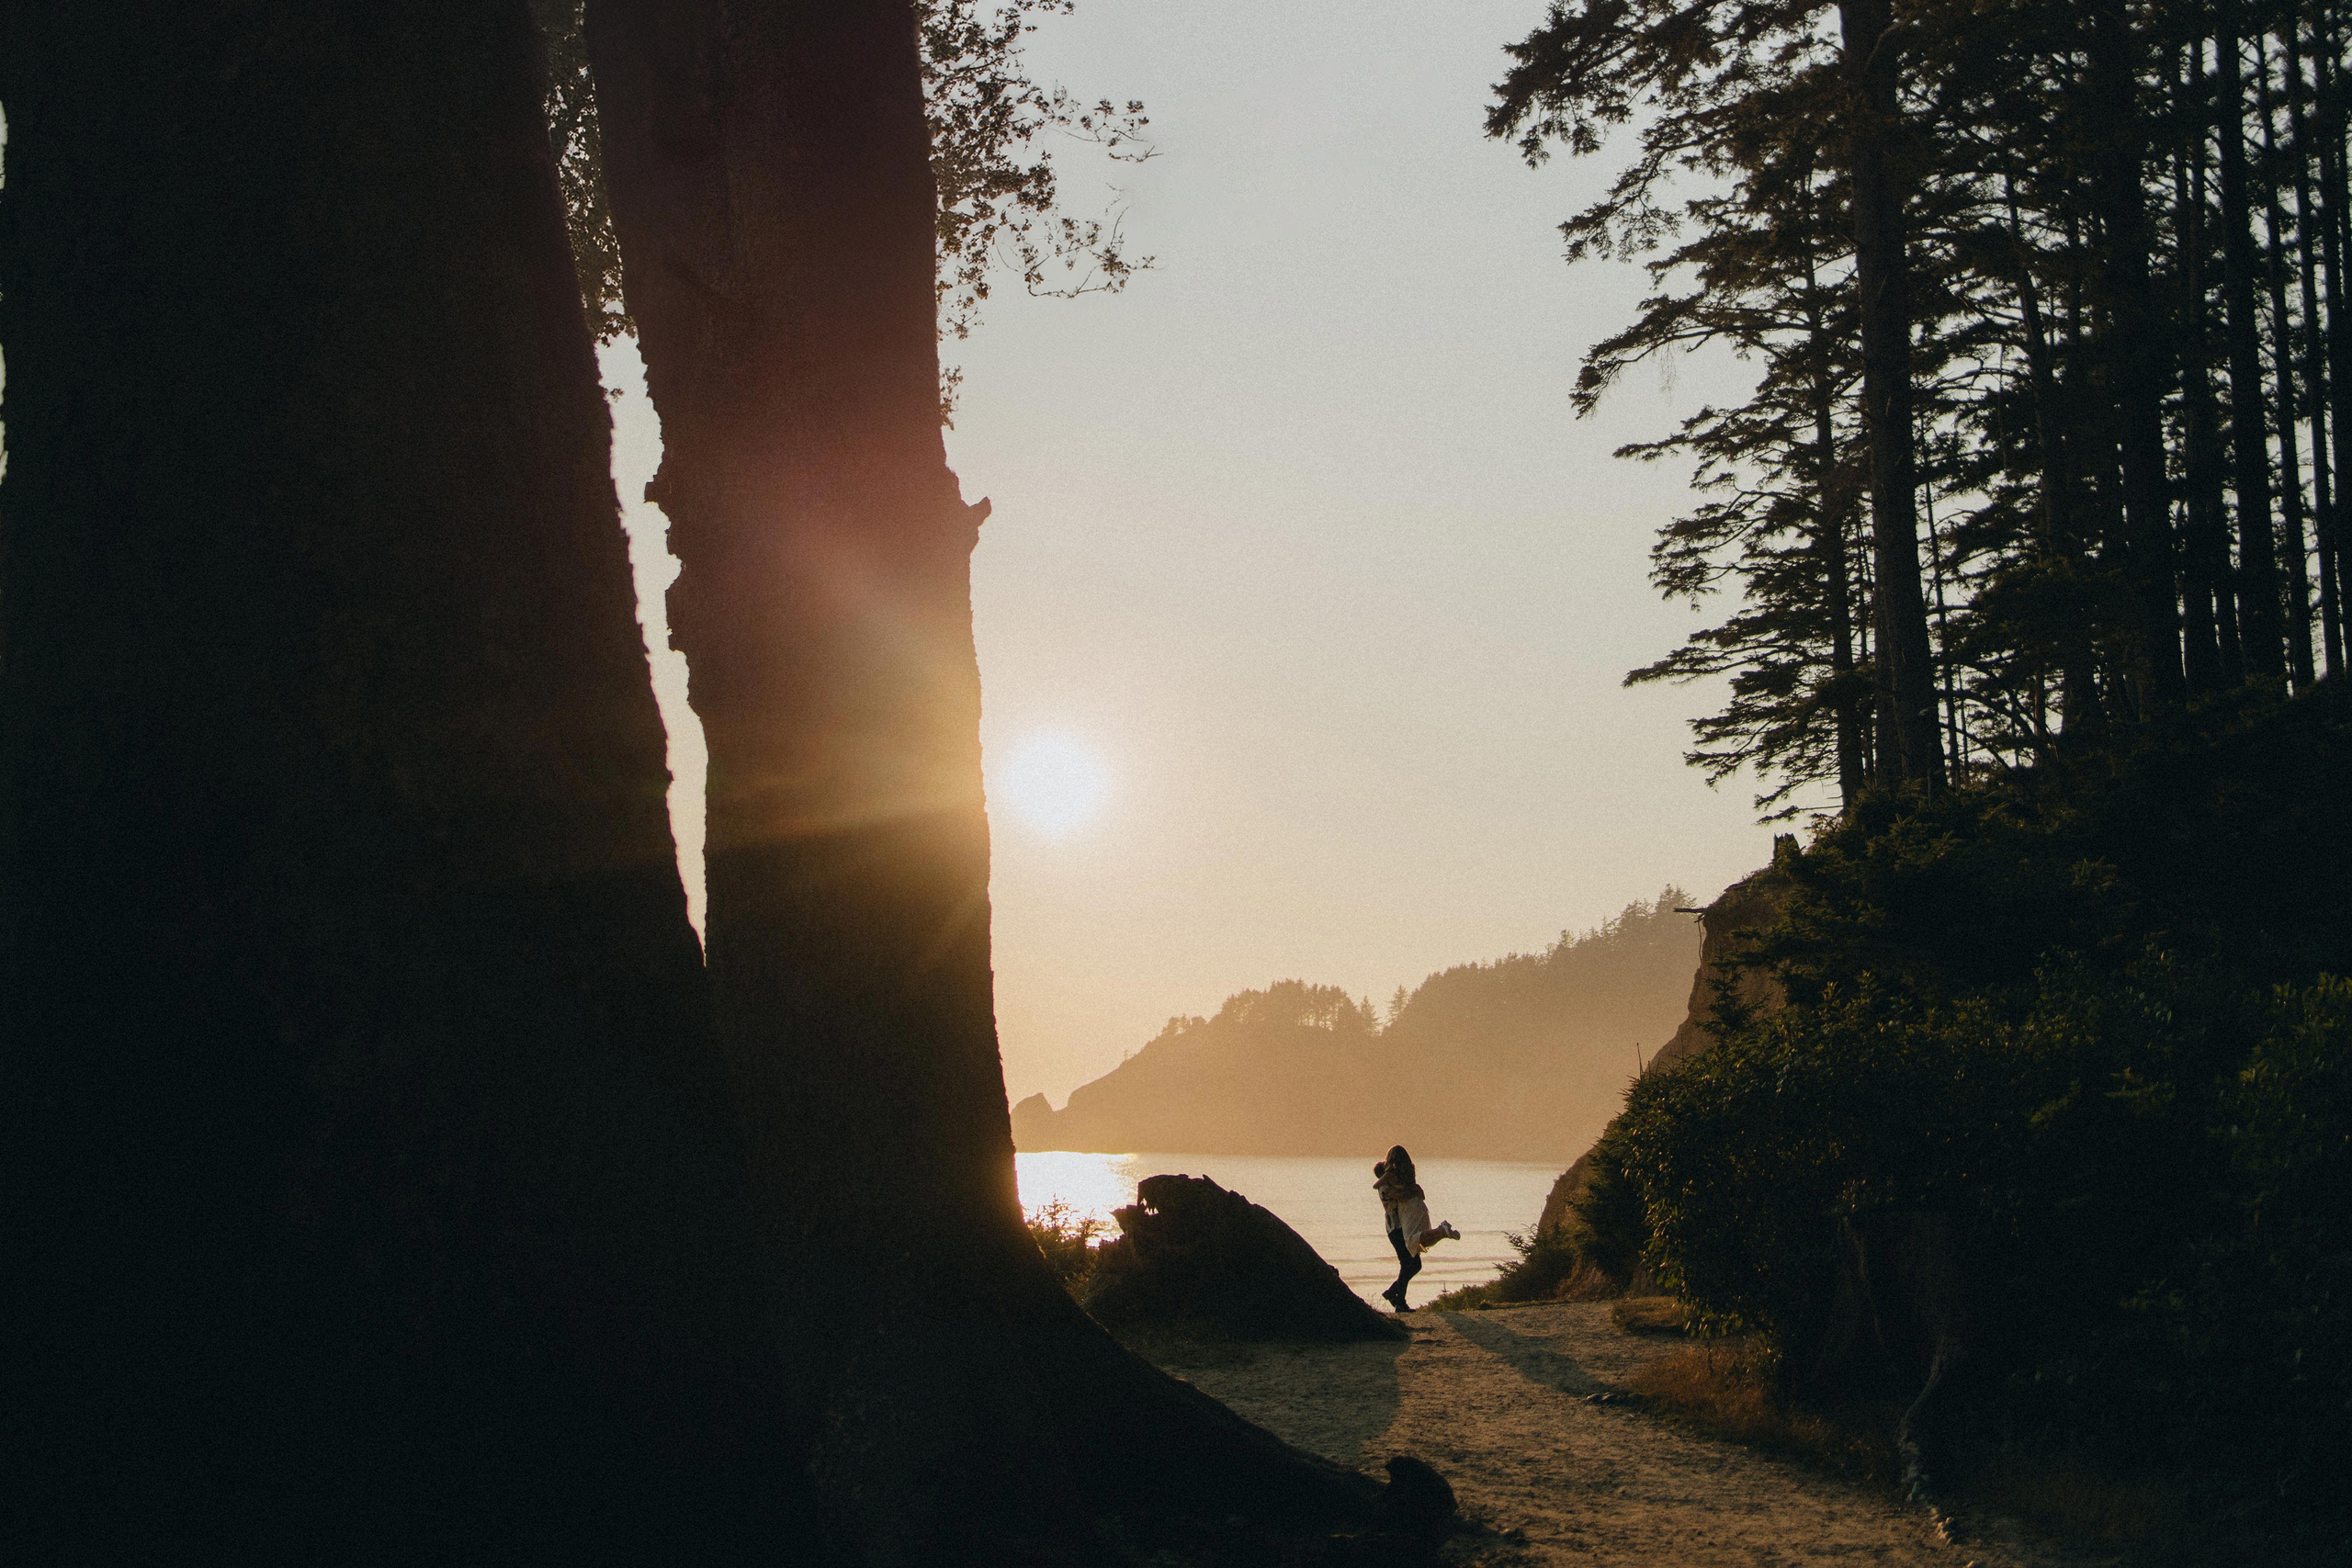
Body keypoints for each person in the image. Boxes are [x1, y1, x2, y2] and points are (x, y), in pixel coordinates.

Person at [1373, 1145, 1459, 1312]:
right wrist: (1412, 1190)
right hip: (1396, 1229)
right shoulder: (1385, 1189)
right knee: (1408, 1264)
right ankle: (1399, 1302)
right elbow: (1401, 1195)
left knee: (1413, 1265)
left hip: (1402, 1227)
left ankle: (1394, 1294)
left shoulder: (1392, 1185)